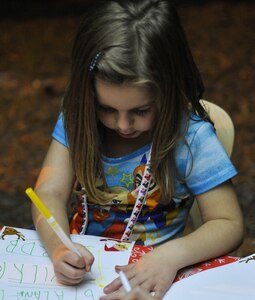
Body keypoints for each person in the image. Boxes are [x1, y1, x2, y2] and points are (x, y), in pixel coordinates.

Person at [32, 0, 244, 298]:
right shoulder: (78, 119)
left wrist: (171, 257)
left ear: (168, 90)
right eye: (106, 108)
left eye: (141, 110)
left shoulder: (191, 137)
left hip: (156, 276)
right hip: (84, 274)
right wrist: (58, 247)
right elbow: (48, 193)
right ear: (87, 93)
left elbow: (229, 223)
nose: (123, 125)